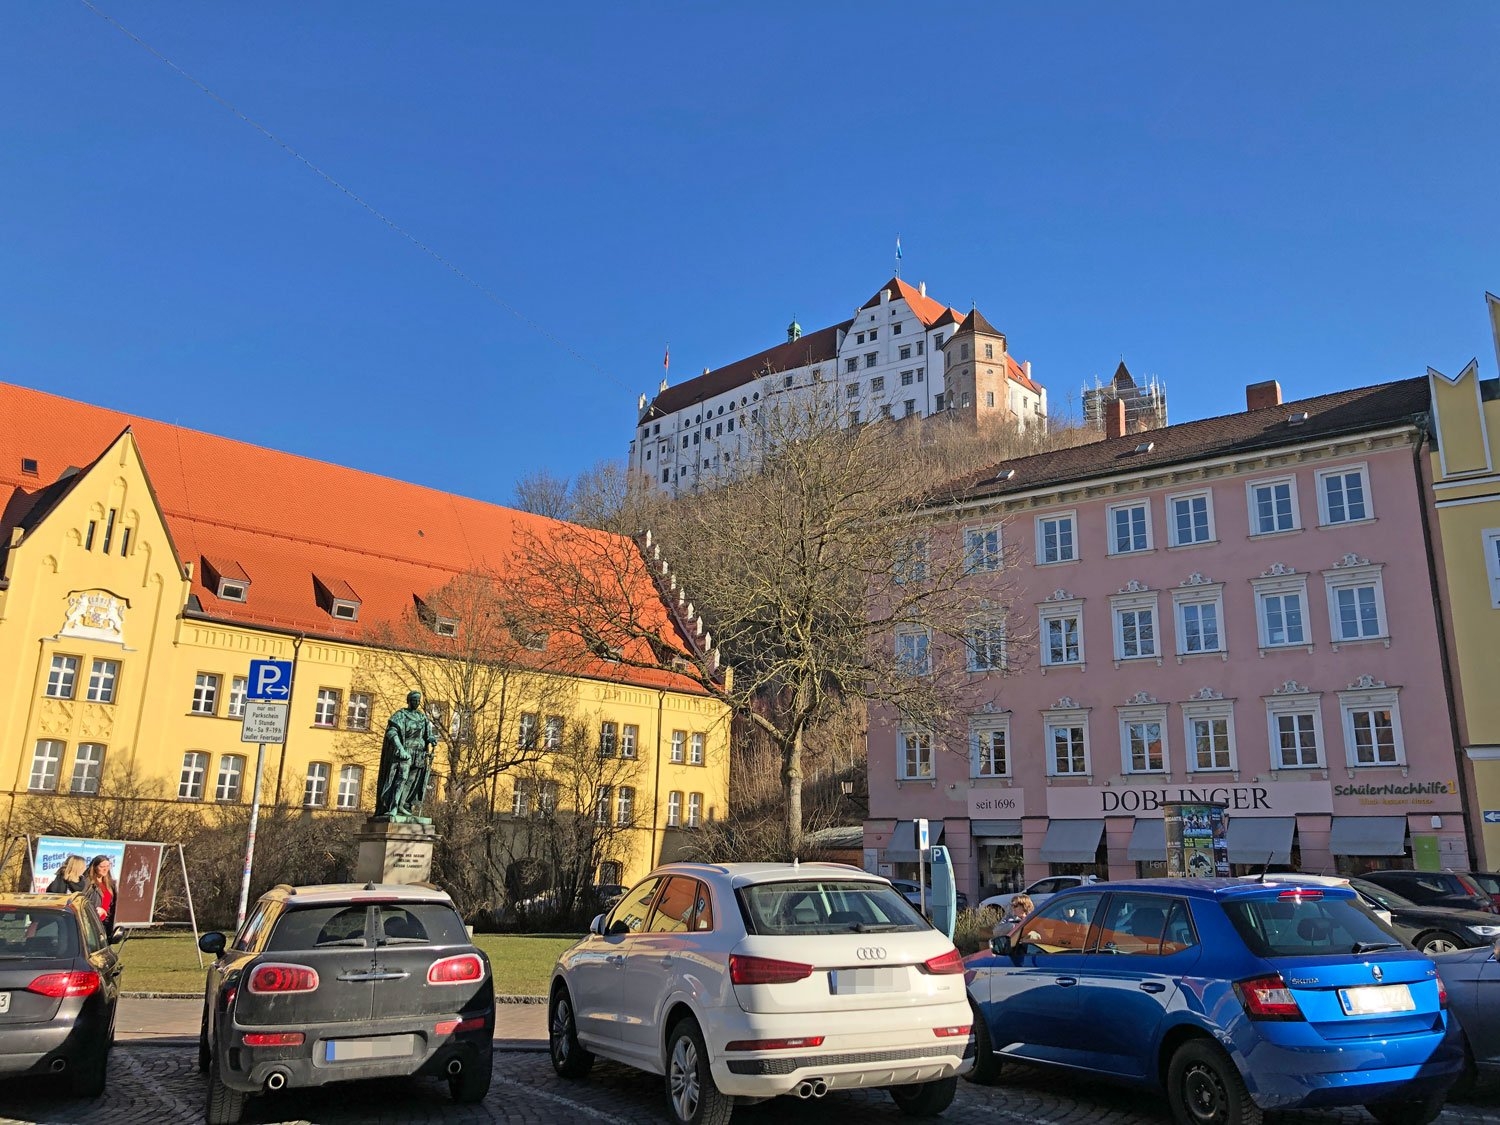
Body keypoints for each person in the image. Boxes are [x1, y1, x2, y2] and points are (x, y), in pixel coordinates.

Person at [376, 690, 440, 818]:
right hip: (405, 752)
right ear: (408, 701)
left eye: (418, 700)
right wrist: (400, 749)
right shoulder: (400, 715)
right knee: (401, 778)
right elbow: (391, 732)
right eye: (414, 700)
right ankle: (393, 807)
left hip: (419, 753)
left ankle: (402, 804)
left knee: (411, 781)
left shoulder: (422, 717)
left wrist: (431, 739)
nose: (416, 702)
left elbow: (427, 734)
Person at [84, 855, 116, 931]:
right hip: (91, 922)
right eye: (102, 867)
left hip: (105, 923)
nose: (105, 869)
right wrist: (95, 909)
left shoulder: (110, 884)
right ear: (94, 867)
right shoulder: (87, 883)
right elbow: (81, 901)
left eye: (108, 866)